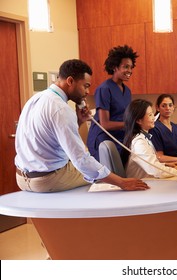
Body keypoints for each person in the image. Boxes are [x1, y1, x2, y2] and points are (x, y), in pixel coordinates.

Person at [14, 59, 149, 193]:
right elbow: (81, 160)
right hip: (47, 179)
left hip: (22, 177)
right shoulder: (61, 109)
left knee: (95, 170)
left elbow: (55, 139)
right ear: (70, 81)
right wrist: (121, 182)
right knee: (100, 178)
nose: (87, 91)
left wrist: (79, 121)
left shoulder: (35, 99)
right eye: (85, 86)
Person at [87, 45, 138, 161]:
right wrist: (131, 125)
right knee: (107, 176)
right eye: (126, 67)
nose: (129, 71)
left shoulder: (127, 91)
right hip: (103, 139)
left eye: (131, 67)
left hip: (119, 138)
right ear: (115, 67)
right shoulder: (104, 89)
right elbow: (105, 124)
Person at [121, 99, 177, 179]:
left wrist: (166, 165)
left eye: (152, 113)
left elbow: (150, 164)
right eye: (150, 115)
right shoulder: (139, 142)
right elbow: (156, 171)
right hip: (144, 184)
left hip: (149, 180)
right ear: (139, 120)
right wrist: (176, 170)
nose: (154, 118)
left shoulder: (143, 137)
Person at [149, 94, 177, 164]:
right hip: (168, 165)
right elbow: (159, 157)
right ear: (157, 108)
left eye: (170, 105)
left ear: (173, 107)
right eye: (164, 106)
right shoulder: (155, 128)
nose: (168, 108)